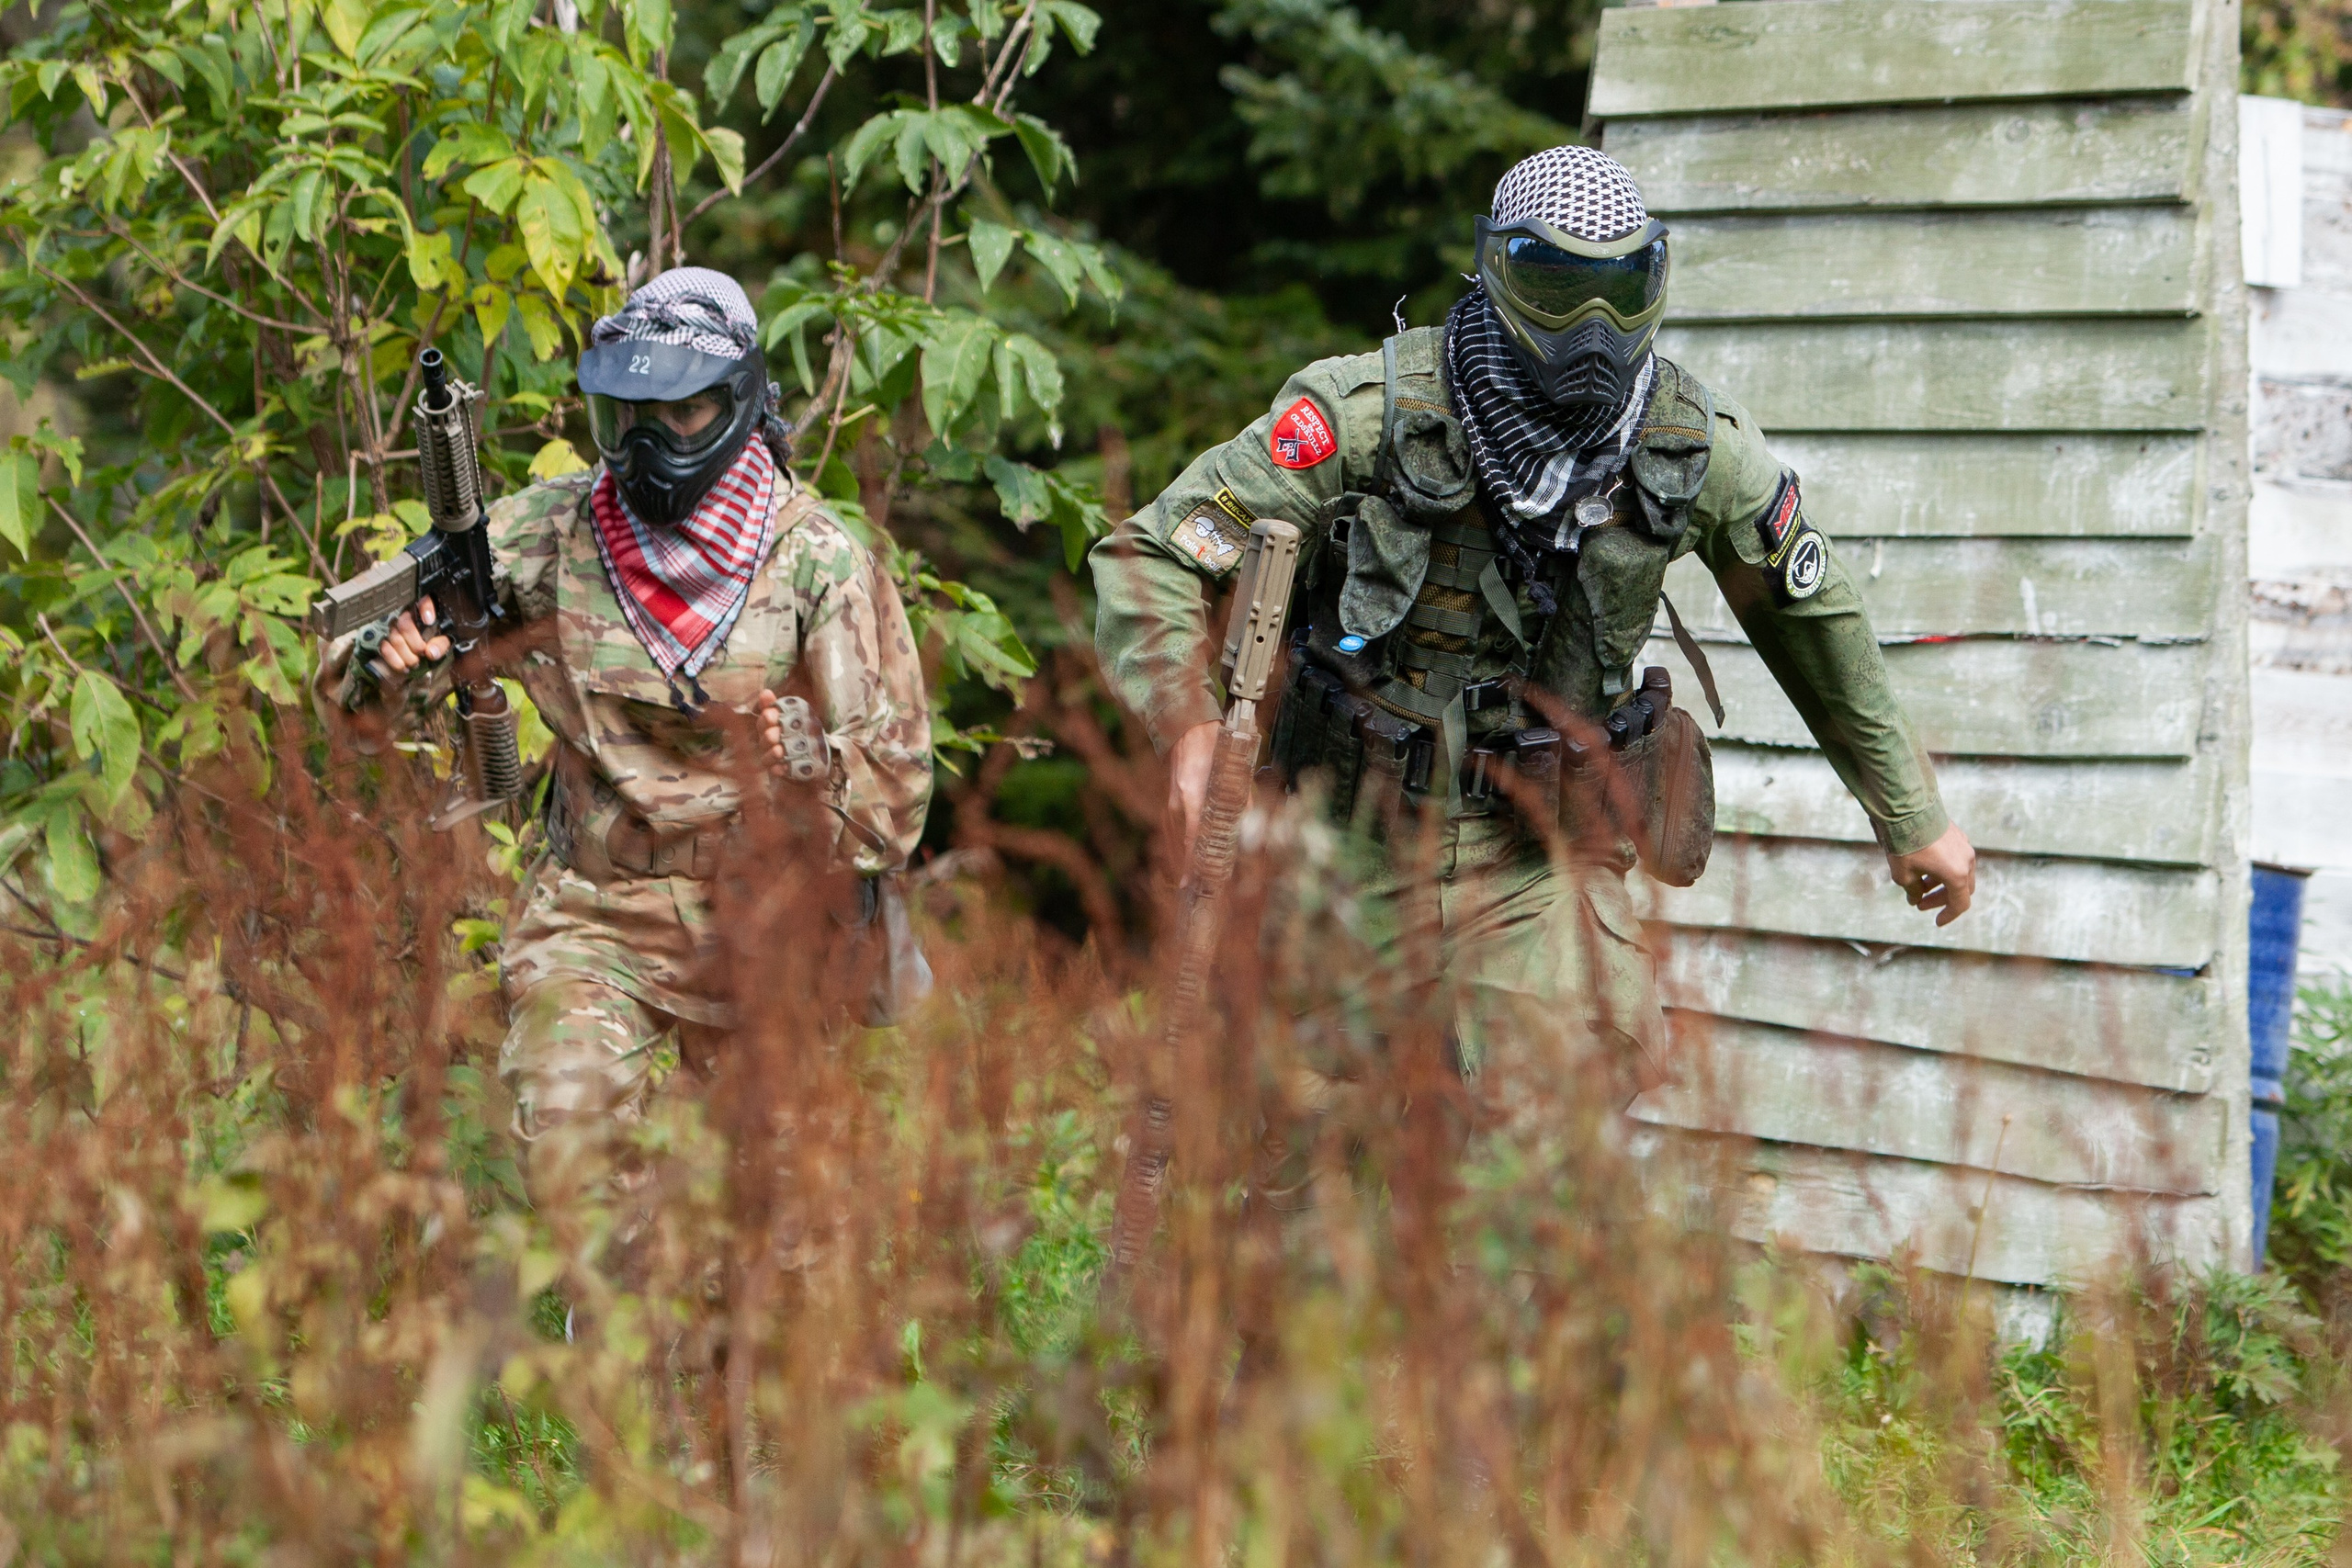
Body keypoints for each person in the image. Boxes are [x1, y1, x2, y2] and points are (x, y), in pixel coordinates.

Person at [1091, 145, 1975, 1089]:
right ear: (1498, 271)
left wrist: (1911, 814)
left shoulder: (1687, 448)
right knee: (1304, 1135)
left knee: (1557, 1122)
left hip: (1539, 857)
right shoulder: (1368, 417)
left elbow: (1811, 613)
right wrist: (1187, 729)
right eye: (1557, 285)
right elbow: (1156, 555)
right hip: (1342, 837)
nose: (1594, 326)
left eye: (1620, 289)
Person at [318, 267, 933, 1174]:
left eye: (681, 413)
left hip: (765, 924)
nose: (651, 442)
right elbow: (359, 683)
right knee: (576, 1167)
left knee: (766, 1222)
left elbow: (897, 794)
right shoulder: (552, 531)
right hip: (595, 912)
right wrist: (388, 652)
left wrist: (815, 766)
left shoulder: (819, 563)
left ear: (738, 405)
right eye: (630, 417)